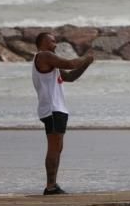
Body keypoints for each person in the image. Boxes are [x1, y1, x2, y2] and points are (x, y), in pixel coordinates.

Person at [32, 32, 94, 195]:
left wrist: (86, 64)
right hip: (52, 109)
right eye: (52, 40)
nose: (55, 43)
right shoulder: (44, 56)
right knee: (54, 147)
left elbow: (70, 76)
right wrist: (85, 58)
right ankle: (50, 186)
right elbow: (71, 63)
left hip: (56, 109)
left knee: (57, 147)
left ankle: (52, 185)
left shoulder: (50, 61)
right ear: (42, 42)